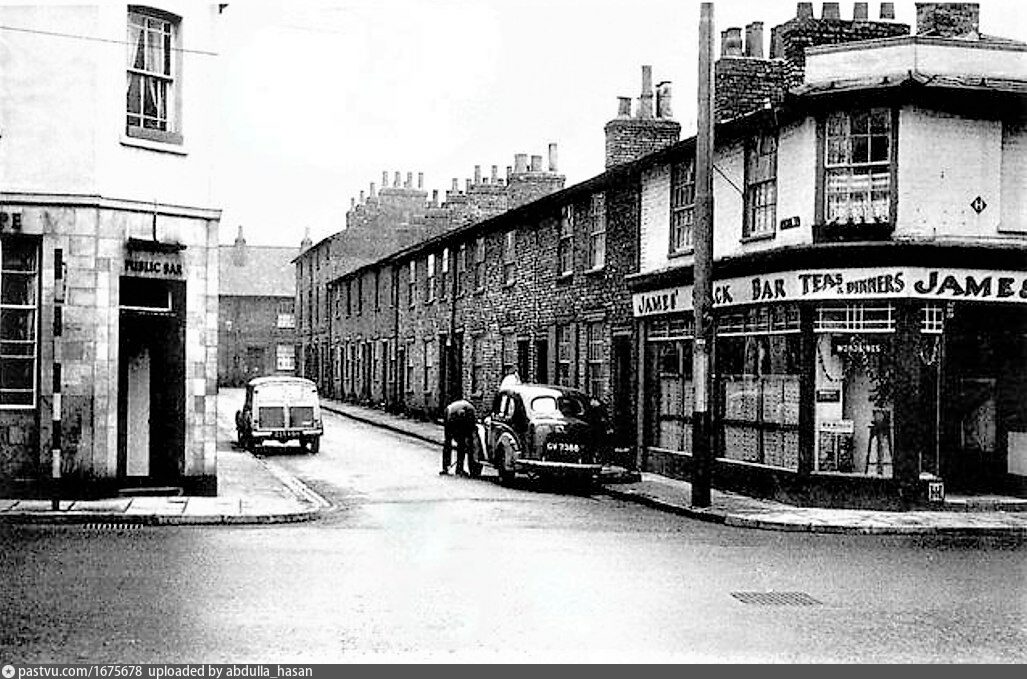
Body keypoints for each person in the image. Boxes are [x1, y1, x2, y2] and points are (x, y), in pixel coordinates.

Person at [441, 398, 478, 476]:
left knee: (448, 442)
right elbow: (472, 427)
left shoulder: (458, 406)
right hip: (452, 417)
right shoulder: (471, 409)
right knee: (461, 444)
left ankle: (446, 467)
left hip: (450, 415)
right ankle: (459, 469)